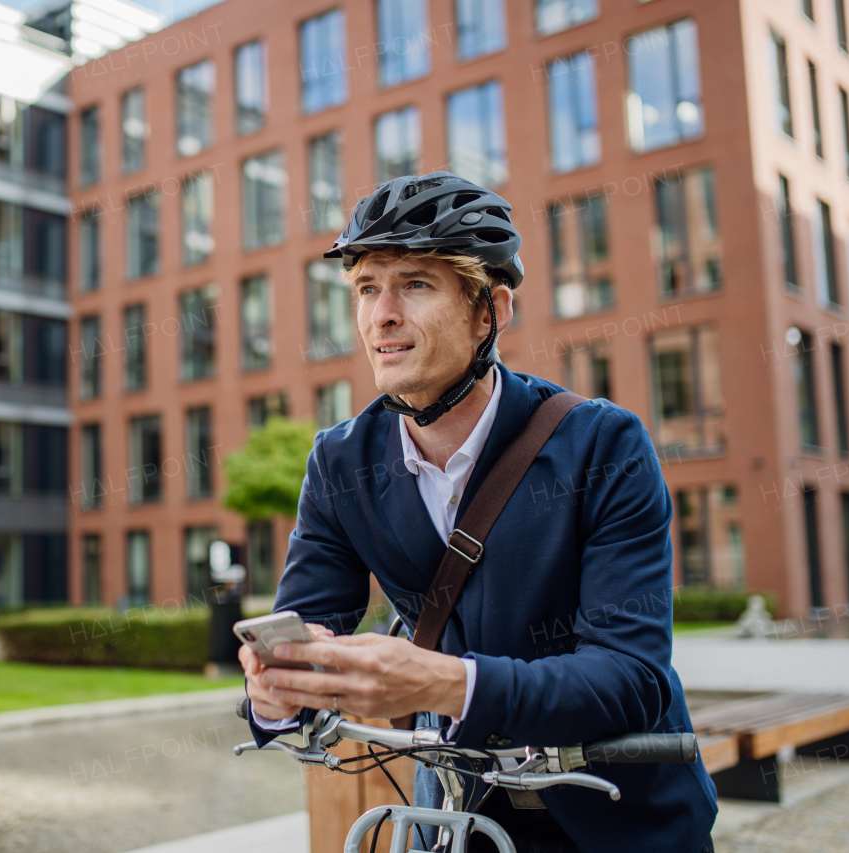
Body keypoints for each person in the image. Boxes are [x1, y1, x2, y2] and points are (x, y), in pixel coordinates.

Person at [240, 172, 717, 852]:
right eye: (367, 287)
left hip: (619, 819)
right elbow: (306, 636)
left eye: (416, 284)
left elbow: (629, 677)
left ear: (489, 310)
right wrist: (276, 692)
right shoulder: (341, 464)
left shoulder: (603, 444)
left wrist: (445, 682)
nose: (382, 315)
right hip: (459, 821)